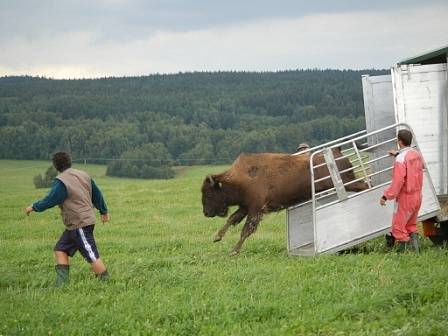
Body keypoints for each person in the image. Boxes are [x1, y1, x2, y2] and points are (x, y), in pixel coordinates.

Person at [25, 152, 110, 286]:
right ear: (70, 162)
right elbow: (97, 194)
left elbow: (50, 200)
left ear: (56, 166)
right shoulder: (84, 175)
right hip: (76, 224)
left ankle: (106, 282)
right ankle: (62, 285)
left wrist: (33, 207)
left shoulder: (61, 182)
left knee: (91, 254)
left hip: (79, 223)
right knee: (60, 249)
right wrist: (103, 211)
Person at [380, 129, 423, 252]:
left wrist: (386, 196)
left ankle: (405, 254)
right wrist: (397, 154)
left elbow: (397, 182)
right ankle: (416, 251)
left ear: (399, 141)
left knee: (398, 228)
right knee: (411, 225)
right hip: (418, 196)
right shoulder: (416, 154)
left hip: (406, 198)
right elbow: (408, 162)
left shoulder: (400, 160)